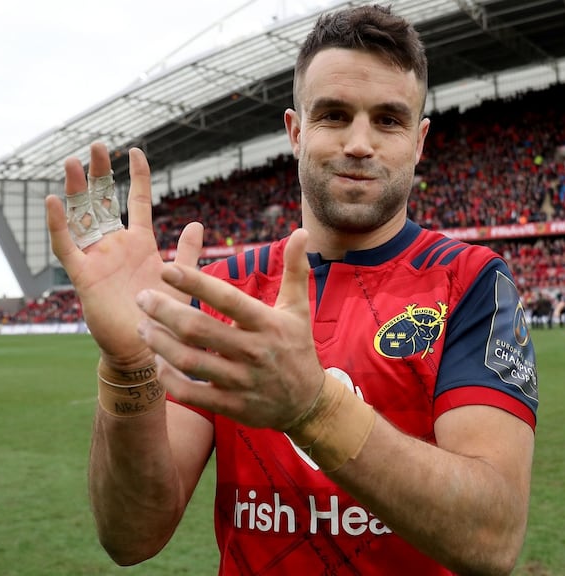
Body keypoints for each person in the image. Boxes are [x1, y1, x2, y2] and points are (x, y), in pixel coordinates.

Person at [44, 5, 538, 575]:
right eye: (333, 115)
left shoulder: (470, 281)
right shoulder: (224, 291)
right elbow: (131, 535)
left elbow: (492, 537)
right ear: (296, 131)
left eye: (388, 120)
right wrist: (129, 366)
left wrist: (315, 408)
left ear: (419, 140)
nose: (360, 143)